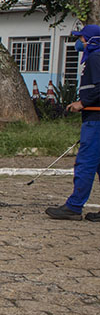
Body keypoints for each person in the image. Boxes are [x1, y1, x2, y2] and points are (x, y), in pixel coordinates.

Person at [46, 24, 100, 220]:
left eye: (82, 38)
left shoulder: (96, 57)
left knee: (86, 163)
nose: (79, 42)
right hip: (94, 118)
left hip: (96, 121)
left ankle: (74, 206)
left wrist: (82, 103)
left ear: (91, 41)